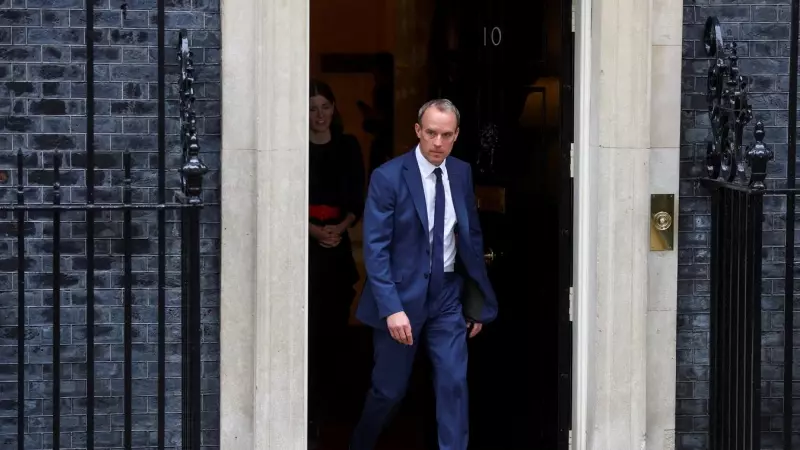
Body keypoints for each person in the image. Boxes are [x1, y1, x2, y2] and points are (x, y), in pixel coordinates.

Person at [350, 99, 498, 450]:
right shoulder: (388, 177)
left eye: (446, 135)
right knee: (388, 391)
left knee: (453, 384)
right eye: (431, 133)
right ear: (418, 131)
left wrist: (475, 300)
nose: (438, 143)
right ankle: (359, 444)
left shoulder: (460, 173)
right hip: (400, 298)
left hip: (447, 295)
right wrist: (391, 308)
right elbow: (376, 248)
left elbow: (471, 239)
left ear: (456, 135)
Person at [307, 79, 365, 442]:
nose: (319, 115)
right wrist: (315, 231)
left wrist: (340, 227)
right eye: (312, 108)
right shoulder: (295, 148)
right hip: (306, 247)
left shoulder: (348, 146)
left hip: (338, 244)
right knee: (309, 331)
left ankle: (333, 412)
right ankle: (309, 411)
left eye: (325, 107)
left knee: (335, 329)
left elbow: (357, 197)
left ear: (334, 109)